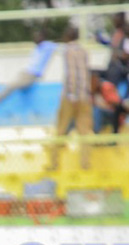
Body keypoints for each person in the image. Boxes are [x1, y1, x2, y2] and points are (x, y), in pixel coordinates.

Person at [0, 30, 56, 110]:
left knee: (11, 86)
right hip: (25, 73)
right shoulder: (36, 48)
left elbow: (59, 45)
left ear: (43, 37)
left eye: (37, 36)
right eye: (34, 36)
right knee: (9, 85)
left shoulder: (48, 46)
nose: (35, 38)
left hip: (31, 75)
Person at [49, 26, 92, 170]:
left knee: (60, 129)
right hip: (84, 96)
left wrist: (72, 95)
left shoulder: (68, 51)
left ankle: (54, 164)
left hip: (71, 97)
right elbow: (86, 74)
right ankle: (85, 165)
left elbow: (71, 74)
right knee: (84, 132)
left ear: (68, 36)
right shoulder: (84, 50)